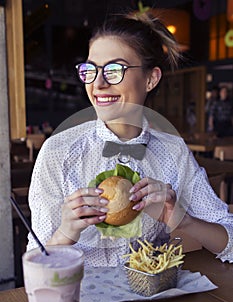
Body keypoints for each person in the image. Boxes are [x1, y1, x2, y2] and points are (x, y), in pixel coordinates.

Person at [27, 12, 233, 266]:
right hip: (82, 301)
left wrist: (183, 219)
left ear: (150, 79)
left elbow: (230, 239)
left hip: (153, 299)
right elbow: (34, 264)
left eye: (114, 70)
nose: (98, 83)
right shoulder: (58, 151)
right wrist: (65, 233)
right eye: (90, 70)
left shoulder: (172, 151)